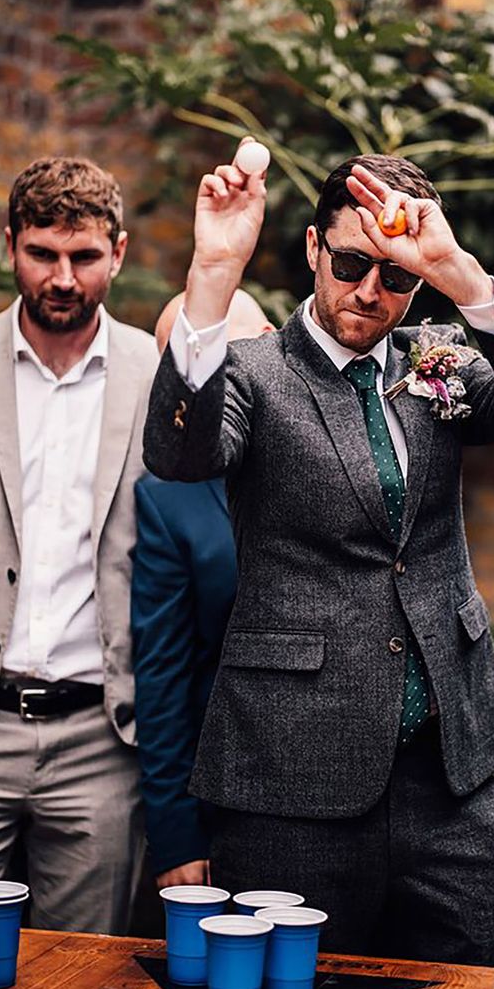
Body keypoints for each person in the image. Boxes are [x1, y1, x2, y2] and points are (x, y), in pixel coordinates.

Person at [142, 144, 494, 965]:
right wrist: (213, 272)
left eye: (395, 277)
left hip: (450, 775)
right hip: (293, 779)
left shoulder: (434, 359)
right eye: (350, 264)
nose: (369, 293)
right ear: (313, 248)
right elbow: (180, 455)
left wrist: (456, 272)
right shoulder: (253, 372)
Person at [0, 156, 158, 934]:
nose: (63, 278)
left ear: (118, 253)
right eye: (43, 254)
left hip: (100, 739)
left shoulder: (153, 375)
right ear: (10, 246)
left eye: (85, 257)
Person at [132, 289, 273, 889]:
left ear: (270, 342)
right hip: (237, 788)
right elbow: (163, 674)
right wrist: (175, 835)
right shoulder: (168, 497)